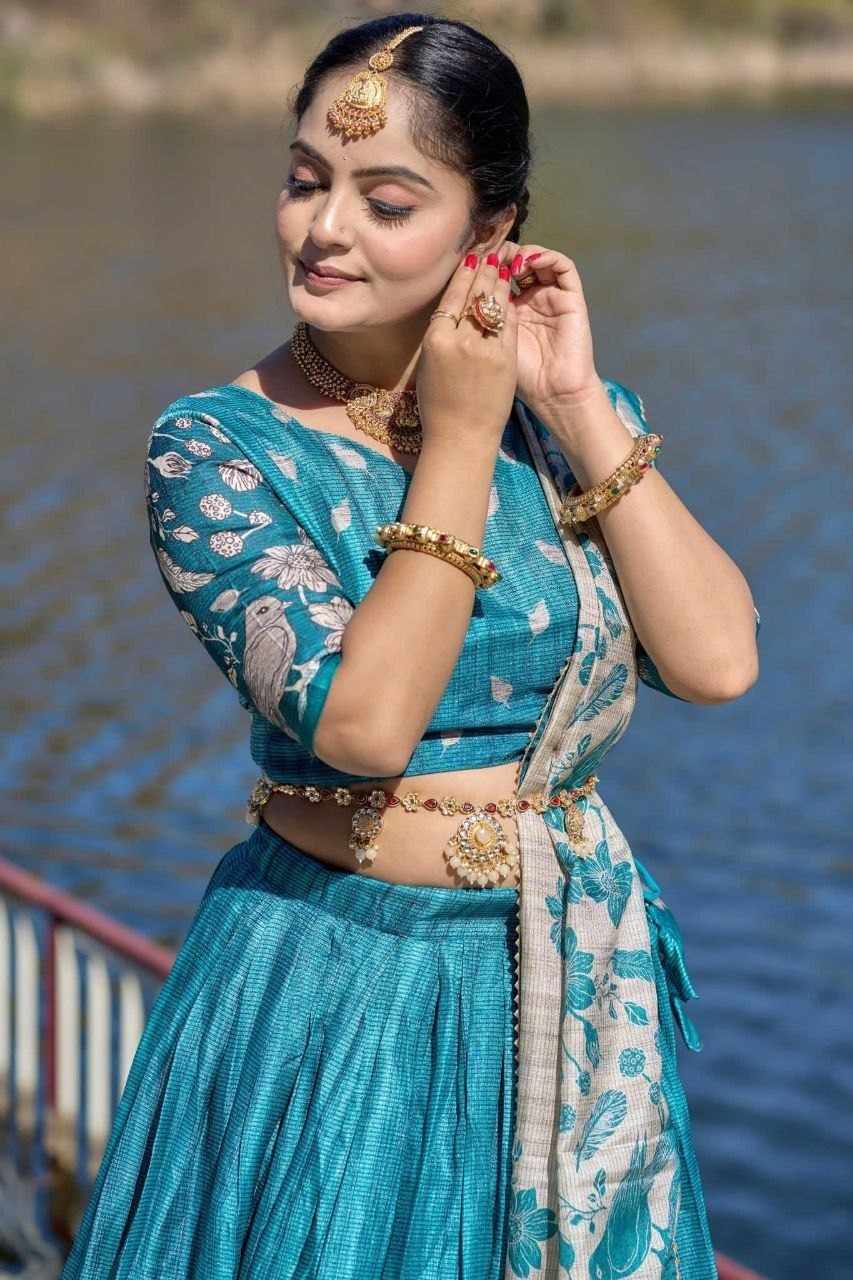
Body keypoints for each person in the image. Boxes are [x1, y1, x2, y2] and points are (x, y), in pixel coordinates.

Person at [60, 13, 761, 1280]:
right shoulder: (216, 449)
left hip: (557, 985)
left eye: (385, 201)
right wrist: (459, 435)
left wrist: (572, 404)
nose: (323, 228)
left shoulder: (557, 426)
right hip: (339, 986)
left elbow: (716, 662)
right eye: (304, 180)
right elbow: (365, 725)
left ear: (489, 230)